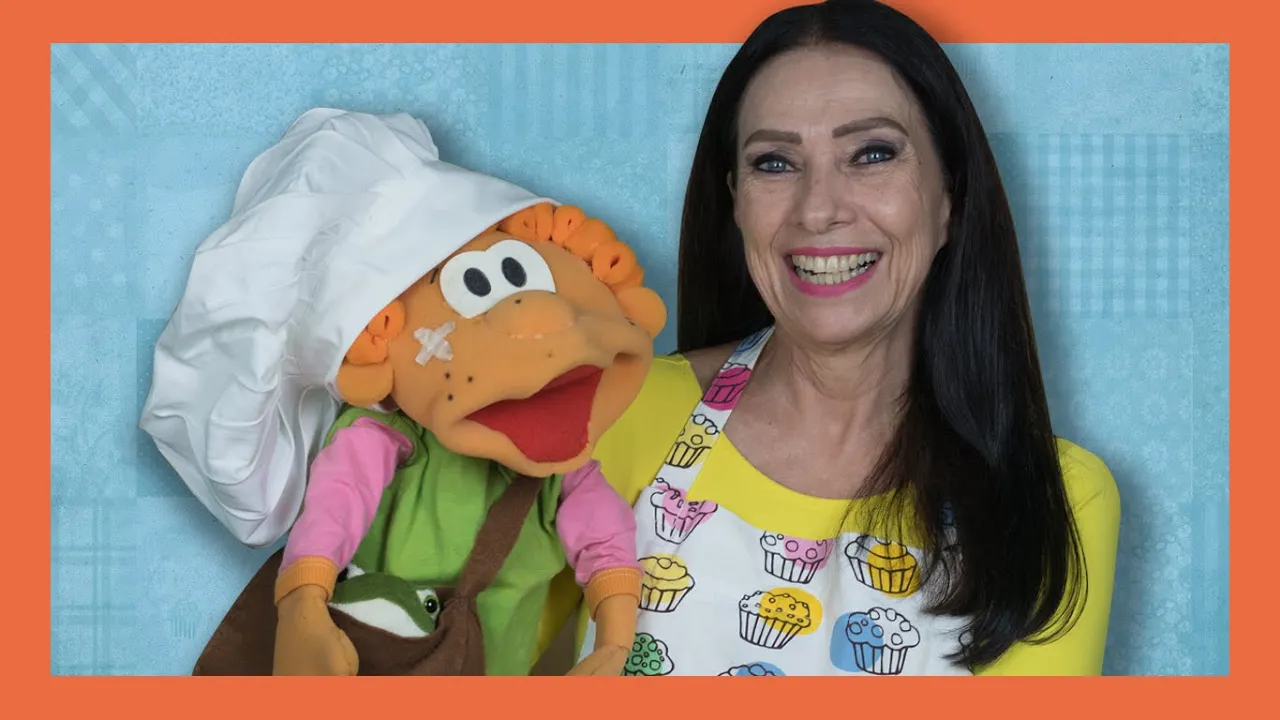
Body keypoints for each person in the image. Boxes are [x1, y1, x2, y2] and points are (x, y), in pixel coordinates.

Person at [534, 0, 1121, 676]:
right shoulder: (610, 413)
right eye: (774, 163)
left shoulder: (1053, 502)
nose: (817, 209)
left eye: (872, 154)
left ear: (950, 199)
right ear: (735, 201)